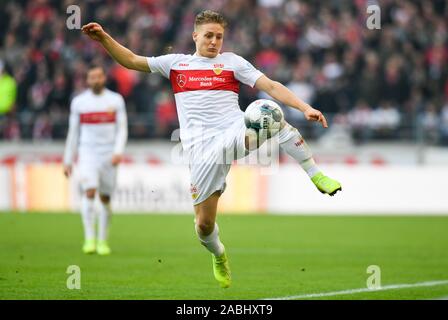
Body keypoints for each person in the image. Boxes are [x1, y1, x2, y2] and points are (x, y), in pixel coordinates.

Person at [81, 10, 341, 287]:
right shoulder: (176, 64)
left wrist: (305, 107)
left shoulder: (232, 63)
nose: (214, 41)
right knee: (204, 226)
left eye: (219, 36)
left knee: (267, 112)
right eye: (209, 36)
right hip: (200, 150)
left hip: (233, 132)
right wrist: (104, 39)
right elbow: (131, 60)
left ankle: (314, 173)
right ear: (195, 36)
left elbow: (272, 85)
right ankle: (218, 254)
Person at [63, 65, 128, 255]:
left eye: (99, 77)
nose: (96, 80)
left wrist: (118, 151)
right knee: (89, 192)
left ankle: (102, 240)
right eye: (92, 77)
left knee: (105, 197)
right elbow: (73, 133)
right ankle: (89, 238)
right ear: (87, 80)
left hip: (109, 155)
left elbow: (122, 128)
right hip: (87, 154)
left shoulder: (115, 100)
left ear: (104, 78)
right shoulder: (79, 102)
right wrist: (68, 160)